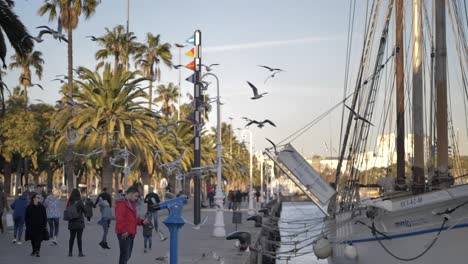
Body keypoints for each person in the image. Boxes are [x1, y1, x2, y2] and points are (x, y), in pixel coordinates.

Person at [115, 186, 149, 264]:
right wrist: (123, 231)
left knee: (127, 255)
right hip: (124, 233)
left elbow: (133, 218)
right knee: (124, 256)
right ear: (130, 194)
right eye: (135, 196)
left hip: (130, 233)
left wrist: (142, 221)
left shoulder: (132, 203)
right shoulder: (122, 203)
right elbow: (119, 219)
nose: (136, 198)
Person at [25, 193, 47, 257]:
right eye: (37, 197)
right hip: (31, 226)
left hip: (40, 226)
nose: (39, 199)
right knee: (33, 239)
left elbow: (44, 217)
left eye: (39, 198)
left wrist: (44, 225)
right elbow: (26, 217)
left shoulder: (42, 207)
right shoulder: (29, 207)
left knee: (39, 239)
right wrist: (27, 225)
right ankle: (34, 250)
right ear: (34, 198)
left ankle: (38, 251)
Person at [66, 189, 86, 257]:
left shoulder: (70, 201)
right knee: (79, 238)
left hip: (71, 221)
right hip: (79, 222)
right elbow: (84, 210)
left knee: (71, 237)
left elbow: (67, 209)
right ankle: (80, 252)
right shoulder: (80, 201)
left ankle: (70, 252)